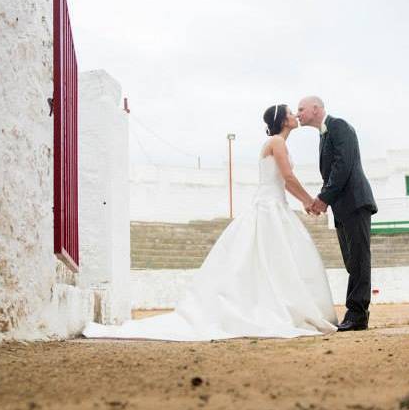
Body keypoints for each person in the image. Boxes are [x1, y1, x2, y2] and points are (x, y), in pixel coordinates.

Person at [83, 104, 338, 341]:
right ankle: (276, 308)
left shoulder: (277, 143)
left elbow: (285, 180)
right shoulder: (276, 142)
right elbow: (288, 177)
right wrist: (308, 201)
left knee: (274, 260)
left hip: (274, 204)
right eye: (292, 113)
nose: (295, 115)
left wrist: (306, 200)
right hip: (270, 206)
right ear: (284, 120)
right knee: (277, 259)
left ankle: (276, 305)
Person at [297, 96, 377, 331]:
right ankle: (356, 314)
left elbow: (343, 166)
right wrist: (325, 199)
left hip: (355, 203)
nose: (298, 113)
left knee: (359, 260)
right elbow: (333, 171)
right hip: (342, 207)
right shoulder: (323, 135)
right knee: (352, 261)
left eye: (301, 109)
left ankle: (357, 314)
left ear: (315, 108)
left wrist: (322, 199)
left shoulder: (338, 126)